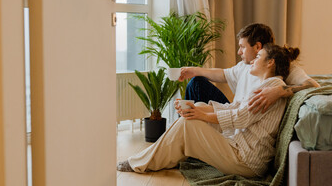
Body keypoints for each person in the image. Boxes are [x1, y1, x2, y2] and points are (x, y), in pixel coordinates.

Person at [117, 43, 300, 177]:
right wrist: (200, 110)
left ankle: (139, 162)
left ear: (270, 63)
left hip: (246, 161)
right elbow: (236, 107)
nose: (253, 60)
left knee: (189, 124)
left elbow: (241, 118)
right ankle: (162, 157)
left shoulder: (273, 86)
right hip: (240, 148)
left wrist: (202, 116)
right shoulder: (267, 85)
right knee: (199, 106)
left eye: (258, 56)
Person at [182, 23, 319, 114]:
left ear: (258, 46)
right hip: (234, 109)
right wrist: (194, 70)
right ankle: (185, 126)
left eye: (242, 47)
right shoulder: (245, 65)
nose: (239, 52)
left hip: (244, 117)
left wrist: (278, 91)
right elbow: (224, 74)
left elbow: (312, 85)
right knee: (196, 83)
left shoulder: (280, 65)